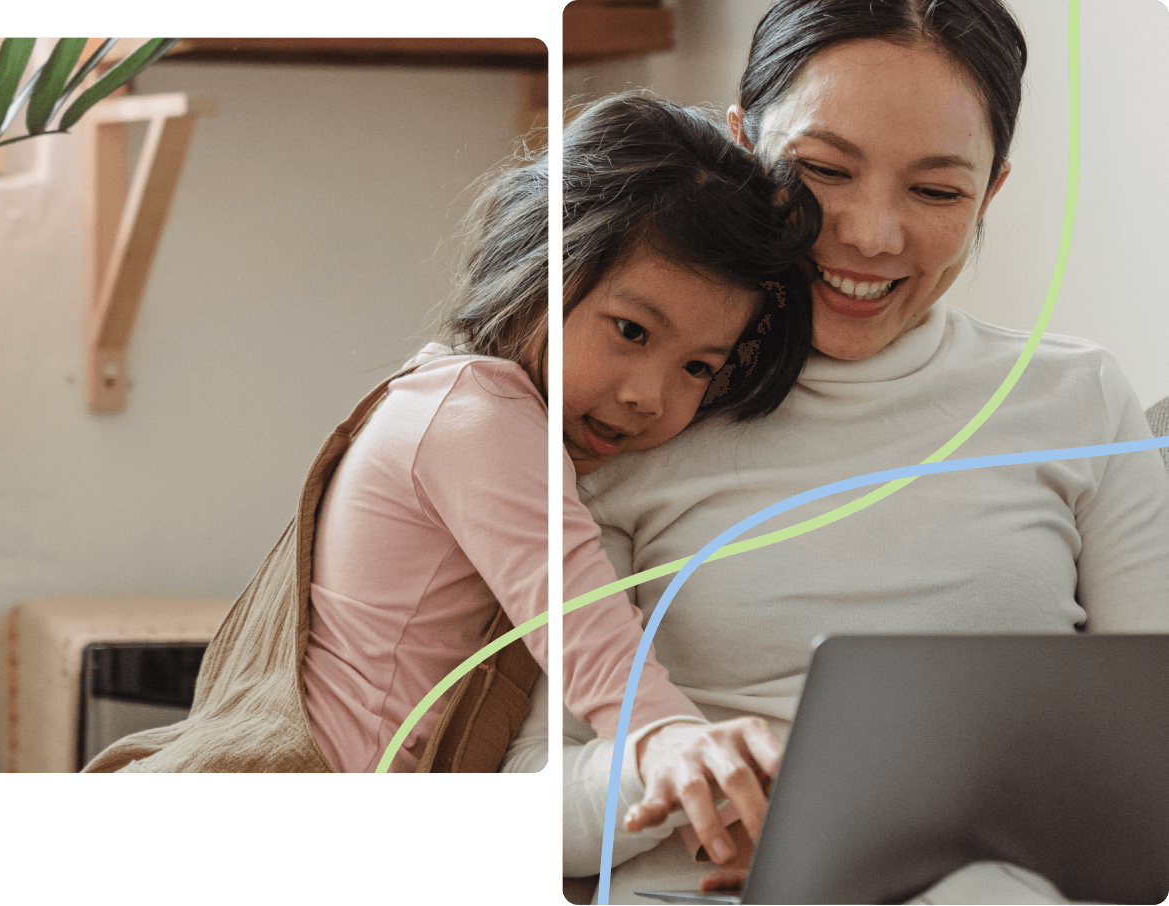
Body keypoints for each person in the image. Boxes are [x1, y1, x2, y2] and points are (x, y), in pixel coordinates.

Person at [560, 0, 1169, 901]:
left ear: (990, 192)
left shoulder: (1077, 398)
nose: (867, 235)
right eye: (819, 171)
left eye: (934, 191)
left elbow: (1150, 744)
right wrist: (678, 773)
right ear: (739, 148)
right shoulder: (635, 407)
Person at [301, 92, 822, 772]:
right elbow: (585, 632)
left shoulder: (453, 398)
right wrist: (677, 742)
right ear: (544, 260)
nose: (647, 396)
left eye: (697, 366)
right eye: (631, 330)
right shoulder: (479, 416)